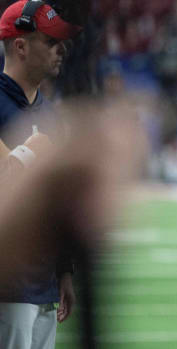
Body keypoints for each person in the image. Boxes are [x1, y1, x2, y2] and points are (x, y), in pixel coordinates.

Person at [0, 1, 81, 348]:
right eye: (49, 42)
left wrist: (64, 270)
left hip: (45, 284)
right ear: (20, 46)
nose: (60, 50)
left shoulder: (50, 112)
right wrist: (30, 152)